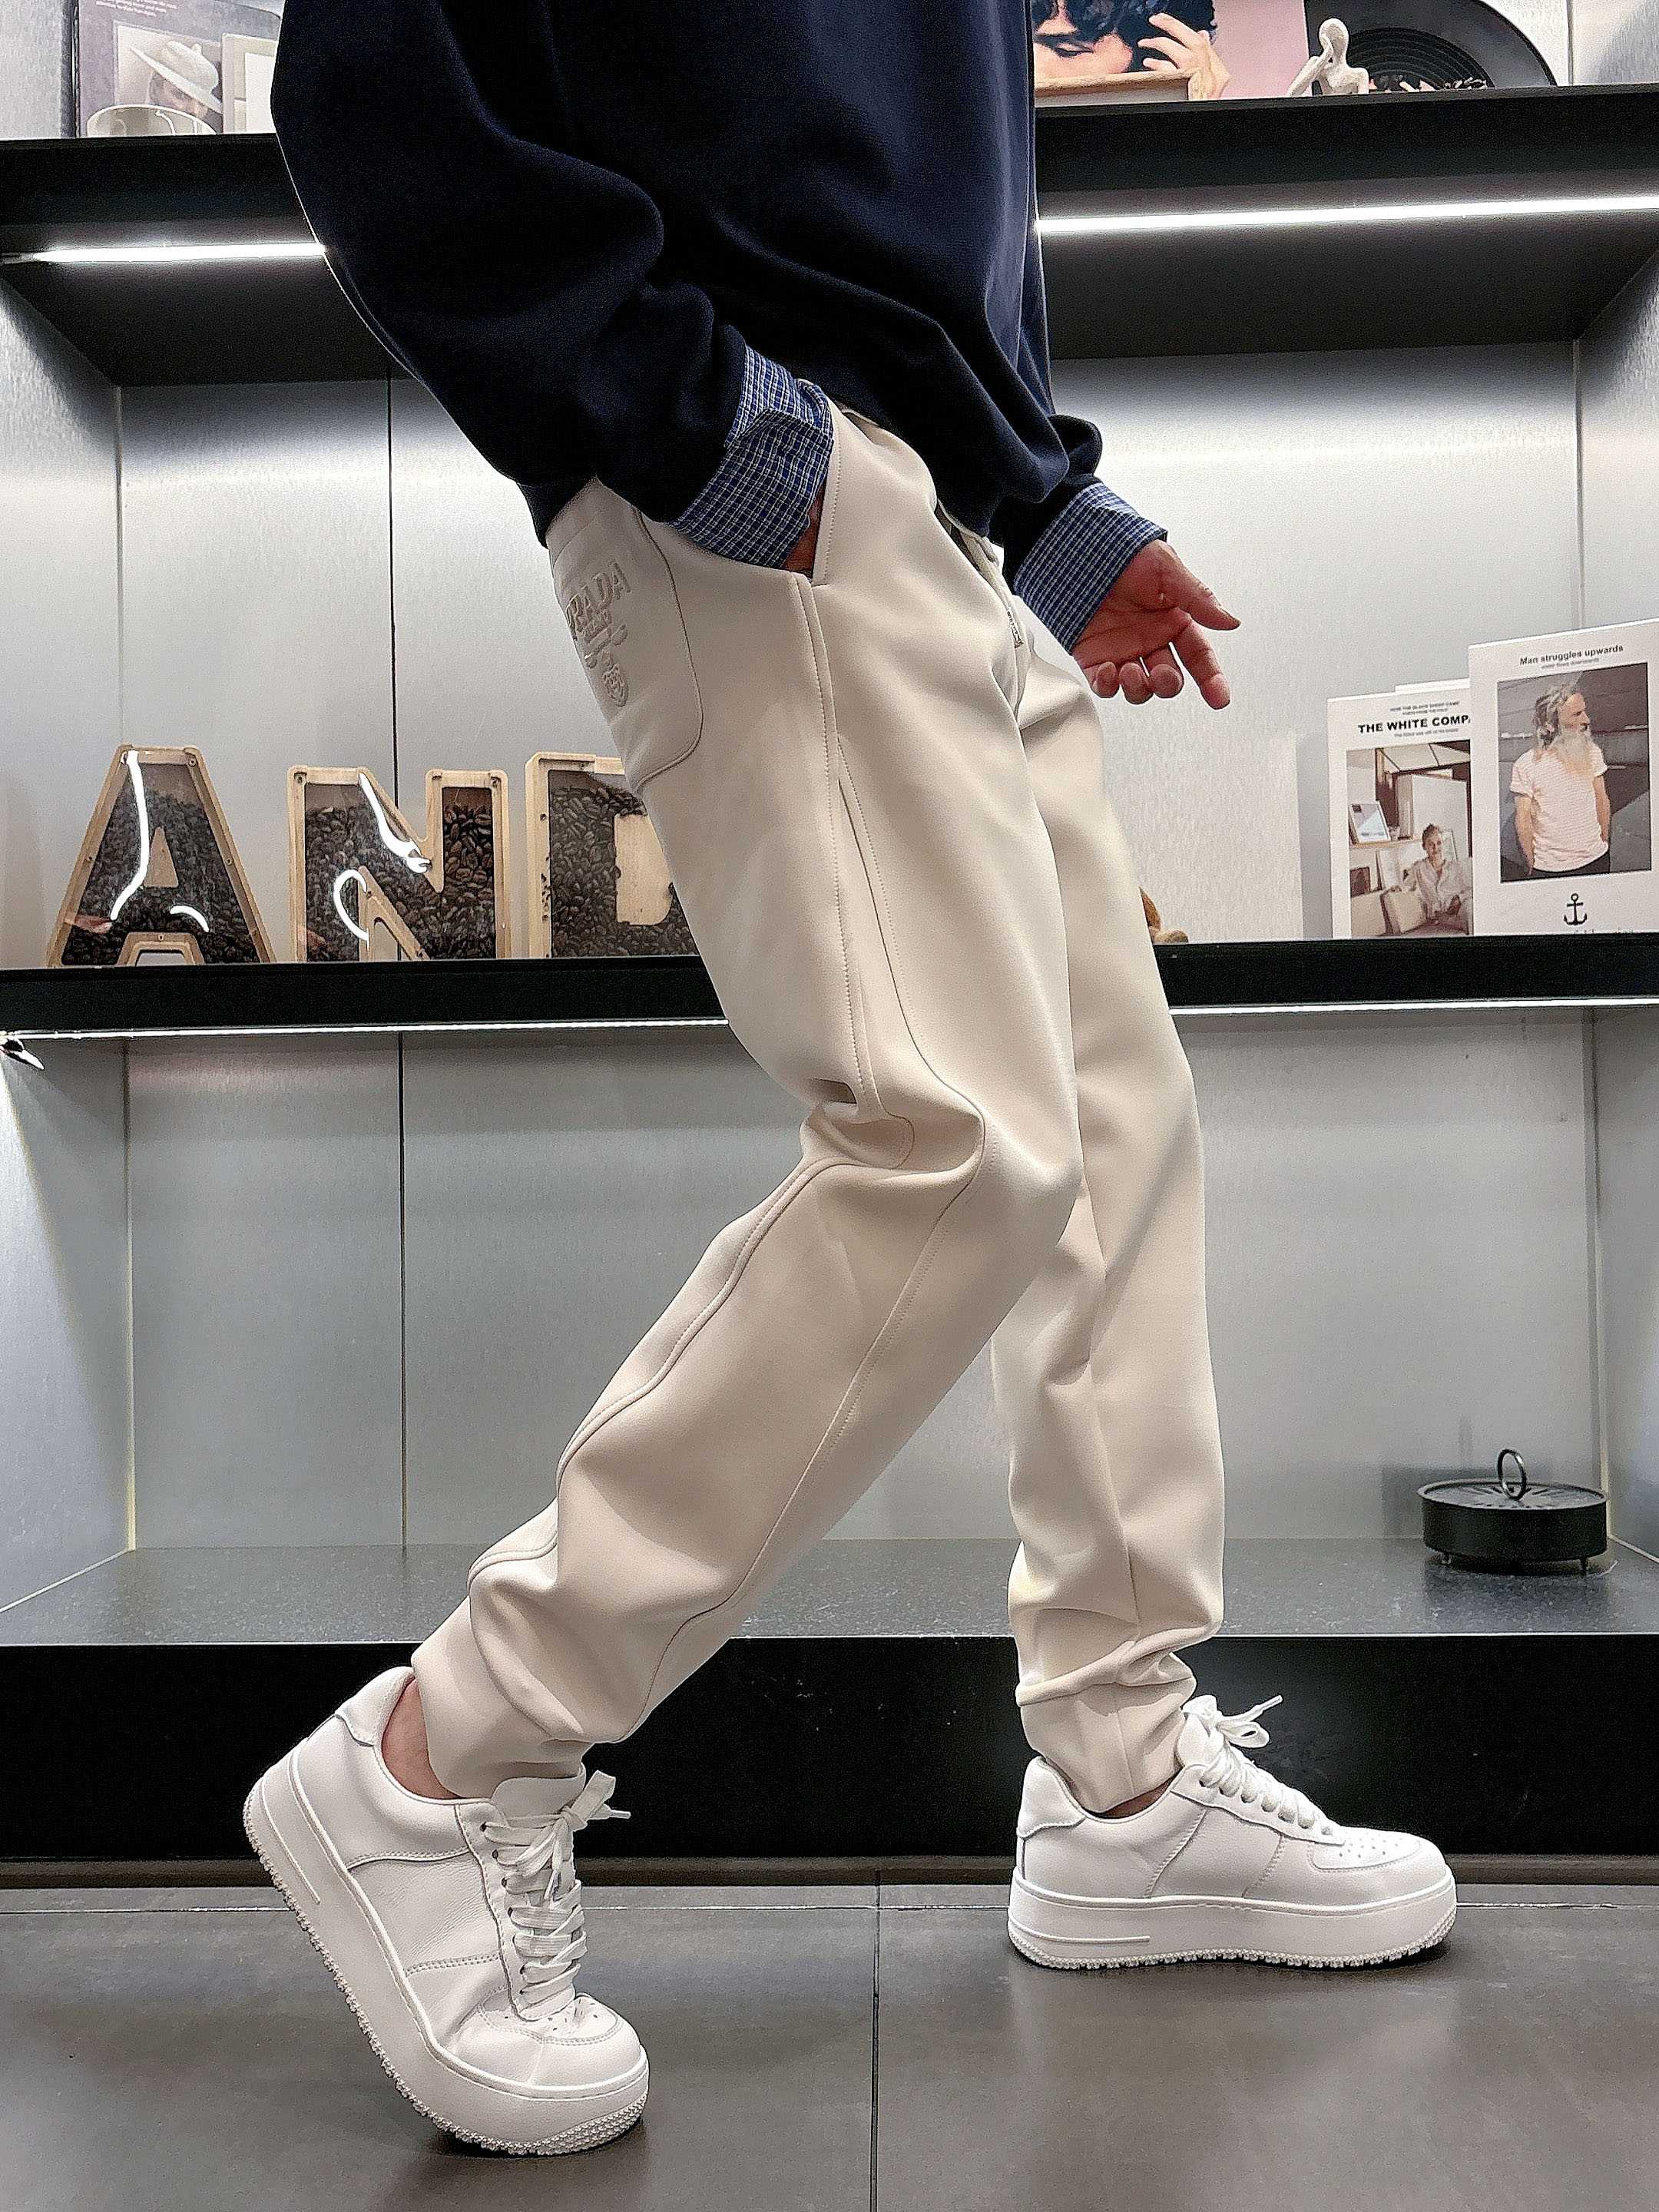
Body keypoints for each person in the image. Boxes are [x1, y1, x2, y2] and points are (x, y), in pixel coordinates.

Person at [252, 3, 1455, 2156]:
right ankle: (450, 1749)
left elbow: (901, 167)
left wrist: (1037, 500)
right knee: (958, 1145)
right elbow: (375, 82)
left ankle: (1122, 1780)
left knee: (1108, 1134)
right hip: (760, 472)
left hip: (921, 515)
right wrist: (690, 412)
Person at [1511, 686, 1614, 877]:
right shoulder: (1526, 764)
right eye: (1577, 714)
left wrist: (1604, 841)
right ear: (1551, 725)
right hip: (1550, 869)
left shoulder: (1592, 753)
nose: (1587, 720)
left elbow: (1601, 799)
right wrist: (1531, 862)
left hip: (1596, 860)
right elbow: (1523, 819)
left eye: (1584, 711)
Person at [1406, 822, 1472, 931]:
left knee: (1470, 911)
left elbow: (1474, 890)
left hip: (1459, 909)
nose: (1435, 848)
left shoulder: (1455, 867)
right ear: (1424, 847)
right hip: (1439, 917)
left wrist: (1460, 898)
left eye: (1439, 843)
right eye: (1431, 844)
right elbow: (1406, 885)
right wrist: (1398, 888)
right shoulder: (1419, 868)